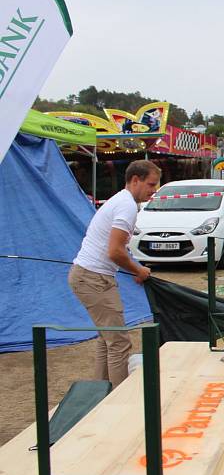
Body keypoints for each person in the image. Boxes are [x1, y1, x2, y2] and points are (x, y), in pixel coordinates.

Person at [68, 160, 161, 388]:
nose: (154, 190)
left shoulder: (122, 201)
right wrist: (138, 270)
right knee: (119, 342)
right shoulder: (126, 206)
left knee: (106, 339)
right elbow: (115, 251)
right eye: (151, 184)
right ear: (135, 180)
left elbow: (117, 250)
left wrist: (133, 269)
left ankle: (100, 392)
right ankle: (120, 400)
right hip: (93, 279)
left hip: (91, 276)